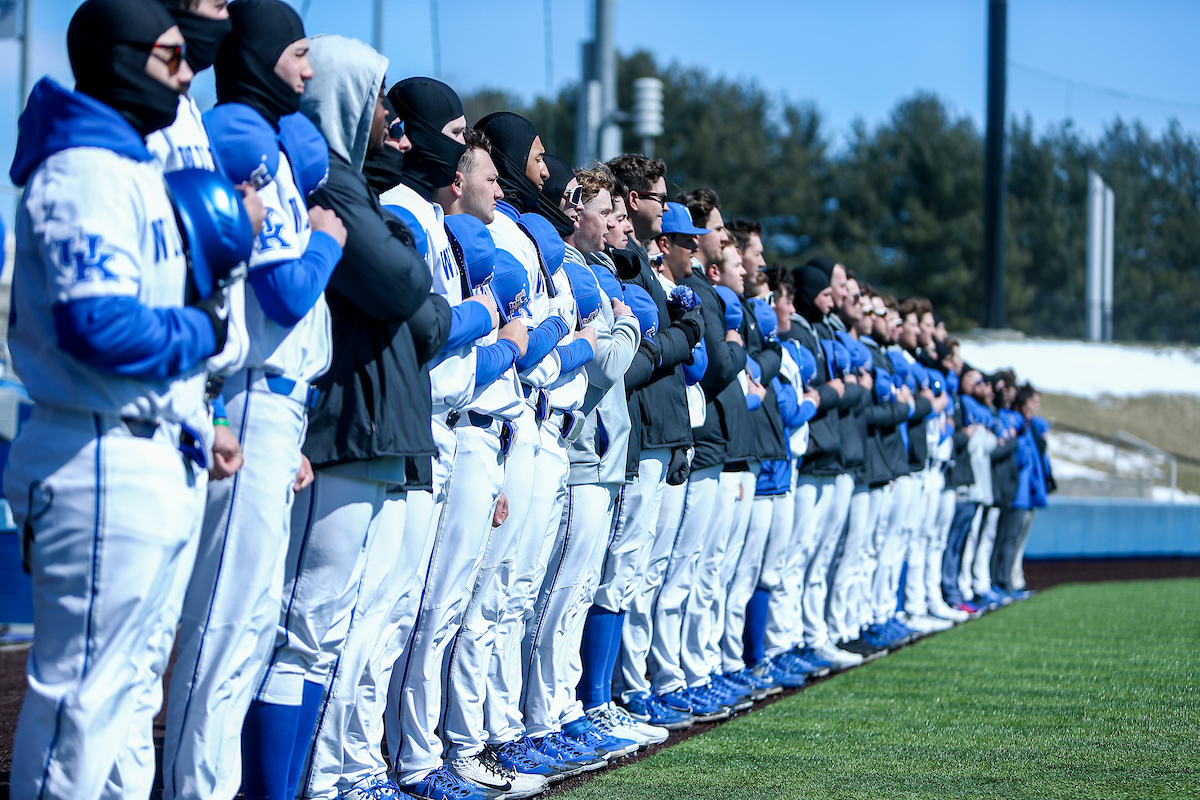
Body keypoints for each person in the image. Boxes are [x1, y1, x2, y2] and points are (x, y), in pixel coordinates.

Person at [5, 1, 244, 796]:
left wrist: (197, 418)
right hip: (95, 450)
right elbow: (98, 327)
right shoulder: (81, 168)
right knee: (80, 706)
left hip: (145, 441)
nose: (186, 72)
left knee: (131, 693)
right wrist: (204, 335)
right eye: (171, 55)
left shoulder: (130, 164)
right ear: (119, 57)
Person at [243, 33, 448, 800]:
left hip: (367, 427)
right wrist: (406, 261)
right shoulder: (329, 179)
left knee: (320, 635)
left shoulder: (353, 184)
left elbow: (422, 312)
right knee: (299, 633)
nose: (389, 119)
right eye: (378, 98)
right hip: (335, 423)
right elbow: (402, 291)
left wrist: (409, 269)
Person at [163, 3, 352, 798]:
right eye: (300, 52)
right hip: (243, 398)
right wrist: (326, 241)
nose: (308, 72)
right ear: (269, 51)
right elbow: (282, 289)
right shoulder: (243, 133)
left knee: (242, 629)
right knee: (220, 631)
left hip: (275, 407)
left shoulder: (266, 137)